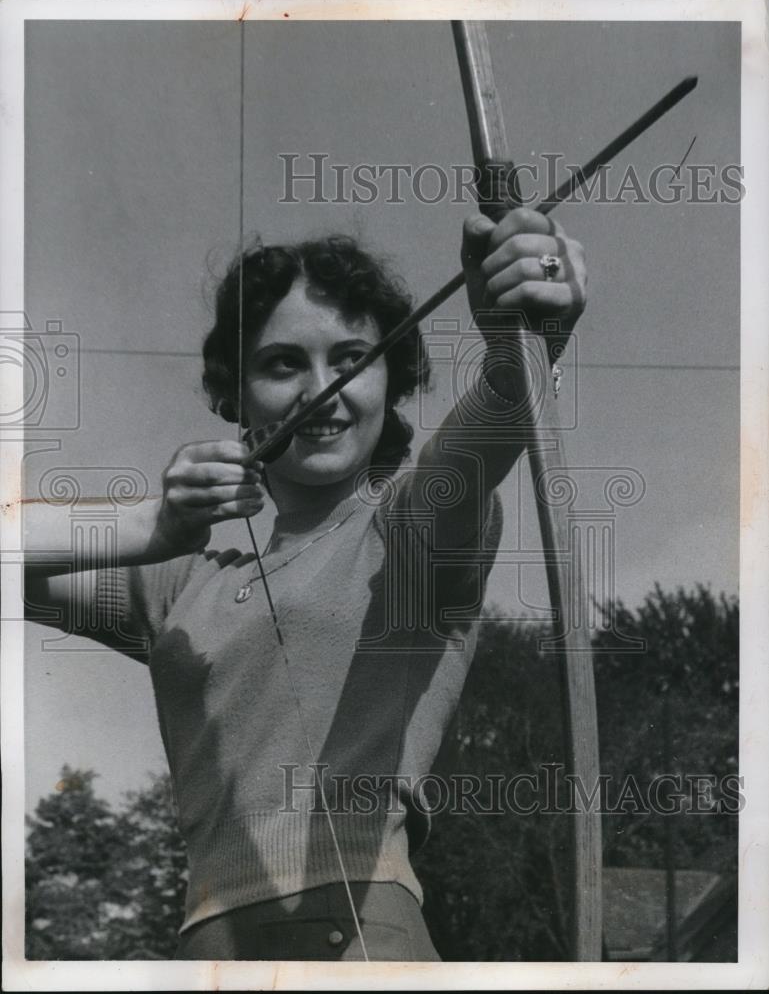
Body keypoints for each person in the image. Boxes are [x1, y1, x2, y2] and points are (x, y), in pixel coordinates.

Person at [24, 207, 587, 961]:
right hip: (205, 947)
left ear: (392, 381)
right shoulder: (177, 587)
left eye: (352, 359)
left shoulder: (413, 529)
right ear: (236, 396)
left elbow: (492, 419)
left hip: (356, 932)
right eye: (282, 363)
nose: (321, 391)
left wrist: (529, 331)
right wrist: (147, 525)